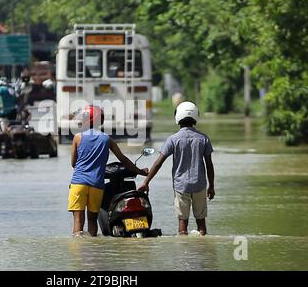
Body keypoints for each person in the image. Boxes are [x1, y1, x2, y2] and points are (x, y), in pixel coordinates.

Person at [69, 104, 149, 237]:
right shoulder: (107, 139)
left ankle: (79, 253)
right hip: (97, 185)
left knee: (78, 222)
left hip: (78, 184)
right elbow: (123, 159)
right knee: (92, 220)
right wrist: (140, 171)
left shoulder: (78, 138)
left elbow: (73, 163)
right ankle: (93, 251)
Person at [138, 101, 215, 235]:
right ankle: (204, 250)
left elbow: (158, 163)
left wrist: (146, 182)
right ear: (196, 116)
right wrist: (211, 186)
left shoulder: (173, 139)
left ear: (177, 117)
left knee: (182, 222)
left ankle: (183, 251)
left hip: (181, 186)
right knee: (201, 223)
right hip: (200, 184)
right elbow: (209, 165)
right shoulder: (203, 139)